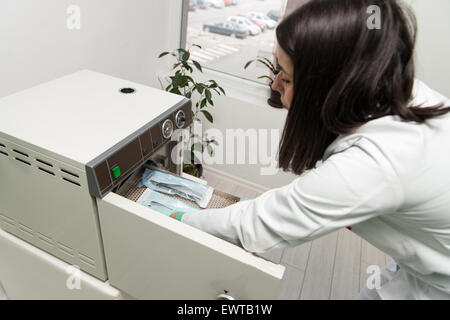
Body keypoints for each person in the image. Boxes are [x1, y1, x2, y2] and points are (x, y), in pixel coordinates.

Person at [176, 0, 450, 299]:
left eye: (288, 77)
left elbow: (258, 223)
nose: (276, 84)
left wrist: (176, 217)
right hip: (421, 264)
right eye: (277, 69)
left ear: (332, 86)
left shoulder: (378, 162)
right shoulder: (394, 92)